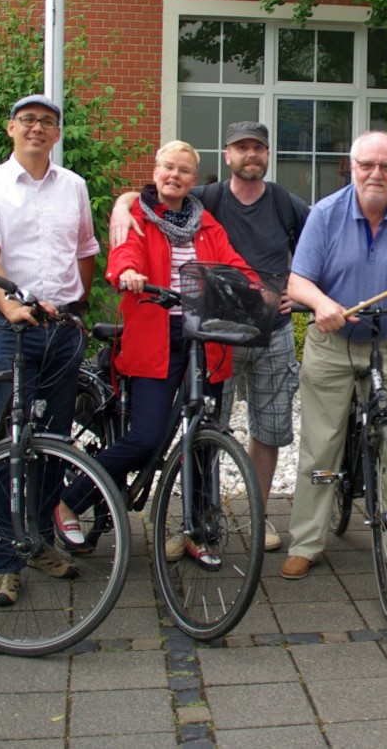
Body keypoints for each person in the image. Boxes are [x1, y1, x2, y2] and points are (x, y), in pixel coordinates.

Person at [109, 121, 309, 551]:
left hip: (260, 331)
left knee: (249, 431)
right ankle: (190, 518)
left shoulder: (278, 203)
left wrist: (292, 291)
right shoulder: (206, 200)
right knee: (182, 429)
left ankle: (238, 520)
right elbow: (151, 202)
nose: (251, 155)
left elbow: (313, 244)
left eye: (258, 147)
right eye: (242, 148)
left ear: (268, 154)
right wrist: (122, 205)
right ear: (227, 156)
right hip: (208, 334)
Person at [55, 140, 251, 566]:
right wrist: (127, 273)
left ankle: (199, 531)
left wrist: (259, 290)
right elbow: (124, 252)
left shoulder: (206, 224)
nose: (174, 176)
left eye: (183, 170)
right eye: (168, 167)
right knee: (145, 437)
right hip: (156, 337)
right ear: (156, 170)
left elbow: (234, 265)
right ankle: (69, 502)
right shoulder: (137, 215)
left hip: (203, 339)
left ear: (193, 181)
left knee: (203, 438)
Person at [0, 93, 100, 607]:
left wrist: (75, 307)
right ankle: (4, 562)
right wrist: (8, 301)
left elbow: (85, 251)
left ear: (57, 134)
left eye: (48, 122)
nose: (38, 128)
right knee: (4, 443)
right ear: (11, 128)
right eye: (28, 120)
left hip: (61, 330)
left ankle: (37, 541)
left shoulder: (73, 187)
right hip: (8, 327)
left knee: (54, 440)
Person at [282, 130, 387, 581]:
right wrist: (320, 303)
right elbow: (297, 282)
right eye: (367, 165)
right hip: (332, 344)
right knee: (321, 446)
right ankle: (307, 541)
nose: (377, 173)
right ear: (351, 167)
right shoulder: (325, 213)